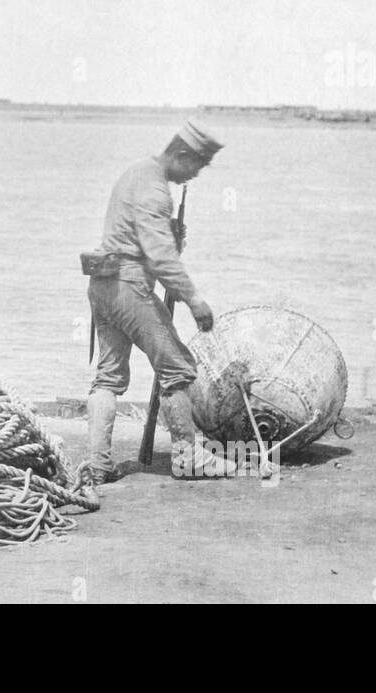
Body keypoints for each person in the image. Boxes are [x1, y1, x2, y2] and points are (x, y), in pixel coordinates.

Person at [84, 119, 232, 483]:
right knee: (177, 367)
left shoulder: (136, 173)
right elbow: (160, 256)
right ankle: (188, 457)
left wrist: (168, 234)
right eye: (197, 165)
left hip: (103, 286)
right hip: (128, 288)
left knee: (108, 377)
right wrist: (193, 298)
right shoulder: (155, 188)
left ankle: (98, 464)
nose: (196, 175)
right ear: (181, 155)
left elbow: (138, 236)